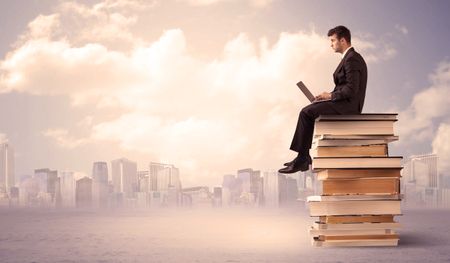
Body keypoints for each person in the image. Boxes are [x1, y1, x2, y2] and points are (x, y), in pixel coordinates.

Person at [278, 25, 368, 174]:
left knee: (306, 112)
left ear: (343, 40)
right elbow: (344, 87)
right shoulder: (349, 58)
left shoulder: (352, 59)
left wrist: (330, 96)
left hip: (348, 107)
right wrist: (325, 97)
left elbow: (351, 90)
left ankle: (303, 158)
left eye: (333, 40)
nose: (330, 44)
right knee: (309, 110)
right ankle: (303, 157)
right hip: (342, 103)